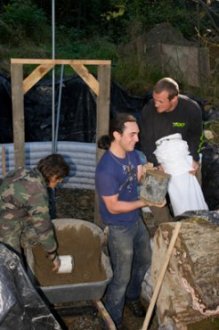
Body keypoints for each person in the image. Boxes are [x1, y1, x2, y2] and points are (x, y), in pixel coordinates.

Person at [95, 112, 165, 330]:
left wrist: (154, 173)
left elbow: (138, 176)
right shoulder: (106, 169)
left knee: (144, 260)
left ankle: (133, 297)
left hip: (135, 222)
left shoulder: (133, 155)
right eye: (132, 134)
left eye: (138, 134)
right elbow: (113, 206)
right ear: (117, 135)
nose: (137, 139)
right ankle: (111, 321)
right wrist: (145, 202)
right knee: (121, 277)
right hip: (119, 228)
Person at [139, 77, 208, 217]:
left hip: (185, 154)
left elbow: (196, 135)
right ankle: (163, 227)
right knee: (152, 199)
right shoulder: (149, 110)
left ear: (174, 99)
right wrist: (156, 163)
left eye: (160, 101)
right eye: (154, 99)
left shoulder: (191, 108)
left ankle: (195, 220)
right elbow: (145, 139)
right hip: (158, 154)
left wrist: (194, 158)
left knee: (191, 190)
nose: (156, 104)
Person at [0, 153, 69, 272]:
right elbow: (43, 226)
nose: (60, 182)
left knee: (34, 231)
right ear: (53, 176)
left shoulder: (24, 170)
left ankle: (24, 241)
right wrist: (53, 255)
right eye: (60, 178)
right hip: (5, 220)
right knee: (12, 261)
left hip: (12, 209)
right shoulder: (37, 191)